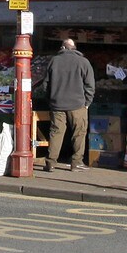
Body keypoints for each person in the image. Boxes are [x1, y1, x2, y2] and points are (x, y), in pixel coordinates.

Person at [41, 38, 97, 172]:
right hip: (78, 105)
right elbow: (90, 85)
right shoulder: (83, 62)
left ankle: (51, 162)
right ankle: (76, 162)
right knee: (79, 133)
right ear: (75, 48)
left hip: (57, 104)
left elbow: (45, 85)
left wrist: (51, 100)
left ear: (63, 48)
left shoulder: (54, 61)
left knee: (56, 132)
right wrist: (87, 102)